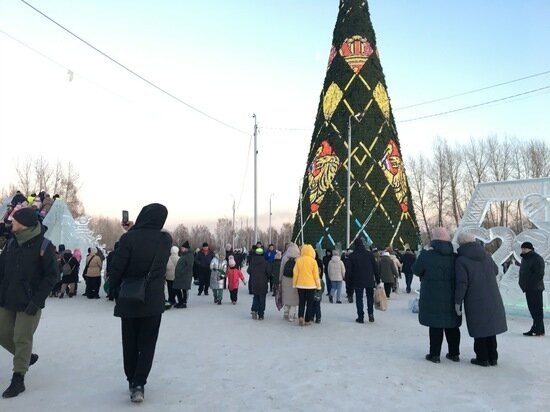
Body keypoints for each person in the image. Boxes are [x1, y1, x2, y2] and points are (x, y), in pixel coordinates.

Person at [107, 203, 172, 402]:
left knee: (130, 341)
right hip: (152, 300)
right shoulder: (165, 240)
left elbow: (117, 268)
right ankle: (139, 383)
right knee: (148, 342)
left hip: (129, 297)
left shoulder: (128, 239)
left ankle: (130, 378)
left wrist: (112, 288)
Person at [0, 207, 57, 398]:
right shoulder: (11, 244)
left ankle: (18, 379)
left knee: (21, 337)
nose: (11, 223)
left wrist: (37, 300)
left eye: (14, 220)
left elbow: (52, 276)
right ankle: (26, 357)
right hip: (7, 298)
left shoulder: (44, 245)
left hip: (29, 302)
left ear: (23, 224)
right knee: (2, 332)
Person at [455, 232, 507, 367]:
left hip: (475, 298)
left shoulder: (461, 260)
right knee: (490, 328)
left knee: (479, 328)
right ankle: (493, 357)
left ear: (461, 244)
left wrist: (458, 301)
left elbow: (462, 283)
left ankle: (482, 357)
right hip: (492, 295)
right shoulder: (486, 256)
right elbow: (495, 271)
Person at [412, 227, 461, 363]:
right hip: (452, 295)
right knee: (452, 325)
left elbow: (416, 270)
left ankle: (434, 355)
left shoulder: (427, 255)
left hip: (432, 296)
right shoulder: (455, 256)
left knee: (435, 326)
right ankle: (454, 353)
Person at [348, 238, 380, 323]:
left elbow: (349, 271)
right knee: (370, 298)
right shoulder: (369, 254)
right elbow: (375, 268)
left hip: (357, 280)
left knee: (359, 299)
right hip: (369, 280)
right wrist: (377, 279)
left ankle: (360, 317)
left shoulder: (352, 256)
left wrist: (349, 282)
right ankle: (371, 314)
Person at [518, 242, 546, 336]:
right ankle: (538, 328)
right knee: (532, 309)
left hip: (535, 288)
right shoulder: (525, 259)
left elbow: (539, 274)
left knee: (537, 309)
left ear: (530, 249)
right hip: (528, 288)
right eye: (522, 248)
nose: (523, 250)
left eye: (525, 249)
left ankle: (537, 329)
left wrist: (530, 284)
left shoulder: (537, 258)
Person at [293, 244, 321, 326]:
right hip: (311, 285)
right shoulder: (313, 261)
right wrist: (318, 286)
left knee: (301, 302)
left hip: (300, 285)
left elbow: (295, 273)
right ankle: (307, 320)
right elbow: (316, 275)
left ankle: (301, 316)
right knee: (310, 303)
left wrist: (294, 284)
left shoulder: (299, 260)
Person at [248, 247, 271, 320]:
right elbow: (269, 273)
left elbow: (248, 271)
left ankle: (254, 310)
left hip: (254, 283)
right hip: (263, 284)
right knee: (262, 299)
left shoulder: (252, 262)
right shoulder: (265, 263)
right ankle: (261, 314)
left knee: (255, 297)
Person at [279, 243, 300, 322]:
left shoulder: (285, 257)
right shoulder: (298, 258)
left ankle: (286, 312)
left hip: (285, 279)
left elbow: (281, 269)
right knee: (294, 298)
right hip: (295, 279)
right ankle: (292, 315)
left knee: (286, 296)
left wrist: (280, 279)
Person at [173, 241, 194, 308]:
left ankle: (184, 303)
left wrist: (181, 271)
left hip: (185, 276)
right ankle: (180, 302)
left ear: (186, 249)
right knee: (177, 288)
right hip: (180, 276)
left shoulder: (189, 256)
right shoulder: (184, 255)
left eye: (182, 248)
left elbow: (189, 266)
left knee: (184, 289)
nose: (181, 249)